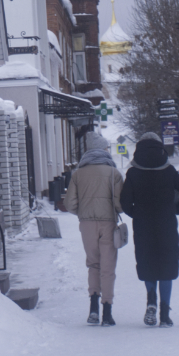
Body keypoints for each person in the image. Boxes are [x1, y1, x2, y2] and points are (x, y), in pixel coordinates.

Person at [119, 132, 179, 327]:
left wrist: (136, 213)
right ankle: (164, 313)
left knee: (148, 261)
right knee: (167, 265)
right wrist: (177, 209)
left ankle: (151, 300)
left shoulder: (133, 173)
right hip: (166, 223)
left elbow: (125, 202)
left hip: (143, 224)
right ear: (160, 148)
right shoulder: (169, 171)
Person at [64, 134, 123, 326]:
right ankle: (107, 311)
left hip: (87, 224)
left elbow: (69, 203)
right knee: (108, 267)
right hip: (108, 223)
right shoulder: (114, 173)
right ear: (104, 149)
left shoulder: (78, 174)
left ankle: (93, 308)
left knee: (93, 265)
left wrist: (82, 212)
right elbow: (119, 204)